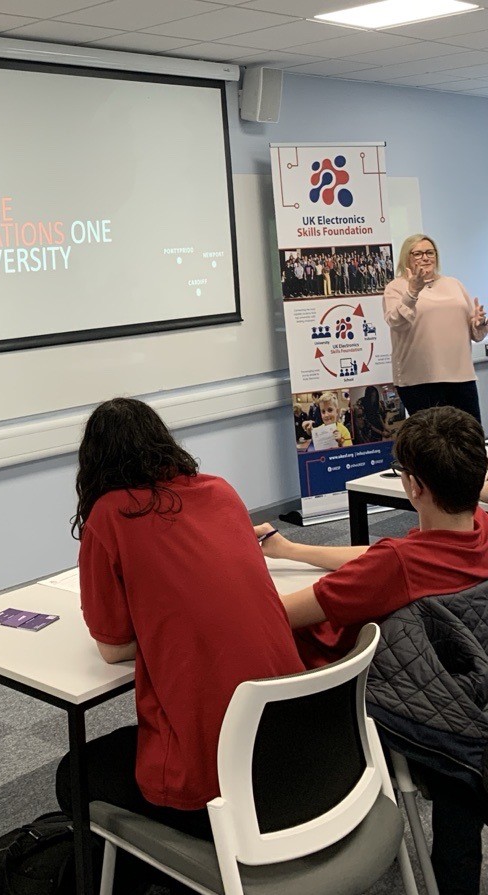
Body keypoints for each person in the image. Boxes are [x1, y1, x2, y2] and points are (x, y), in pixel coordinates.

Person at [57, 398, 304, 893]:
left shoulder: (108, 516)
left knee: (77, 775)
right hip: (303, 757)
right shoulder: (221, 491)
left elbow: (111, 647)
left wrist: (162, 628)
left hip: (225, 790)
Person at [257, 406, 488, 895]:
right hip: (471, 695)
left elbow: (279, 615)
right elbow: (383, 555)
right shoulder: (480, 529)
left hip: (430, 722)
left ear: (415, 487)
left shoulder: (398, 567)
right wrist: (294, 551)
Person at [383, 234, 487, 422]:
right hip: (419, 380)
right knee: (434, 444)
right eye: (418, 253)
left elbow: (474, 333)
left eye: (430, 252)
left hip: (461, 376)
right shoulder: (396, 287)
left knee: (470, 439)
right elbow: (395, 321)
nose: (425, 257)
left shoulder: (454, 284)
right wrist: (413, 291)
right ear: (407, 257)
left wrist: (478, 324)